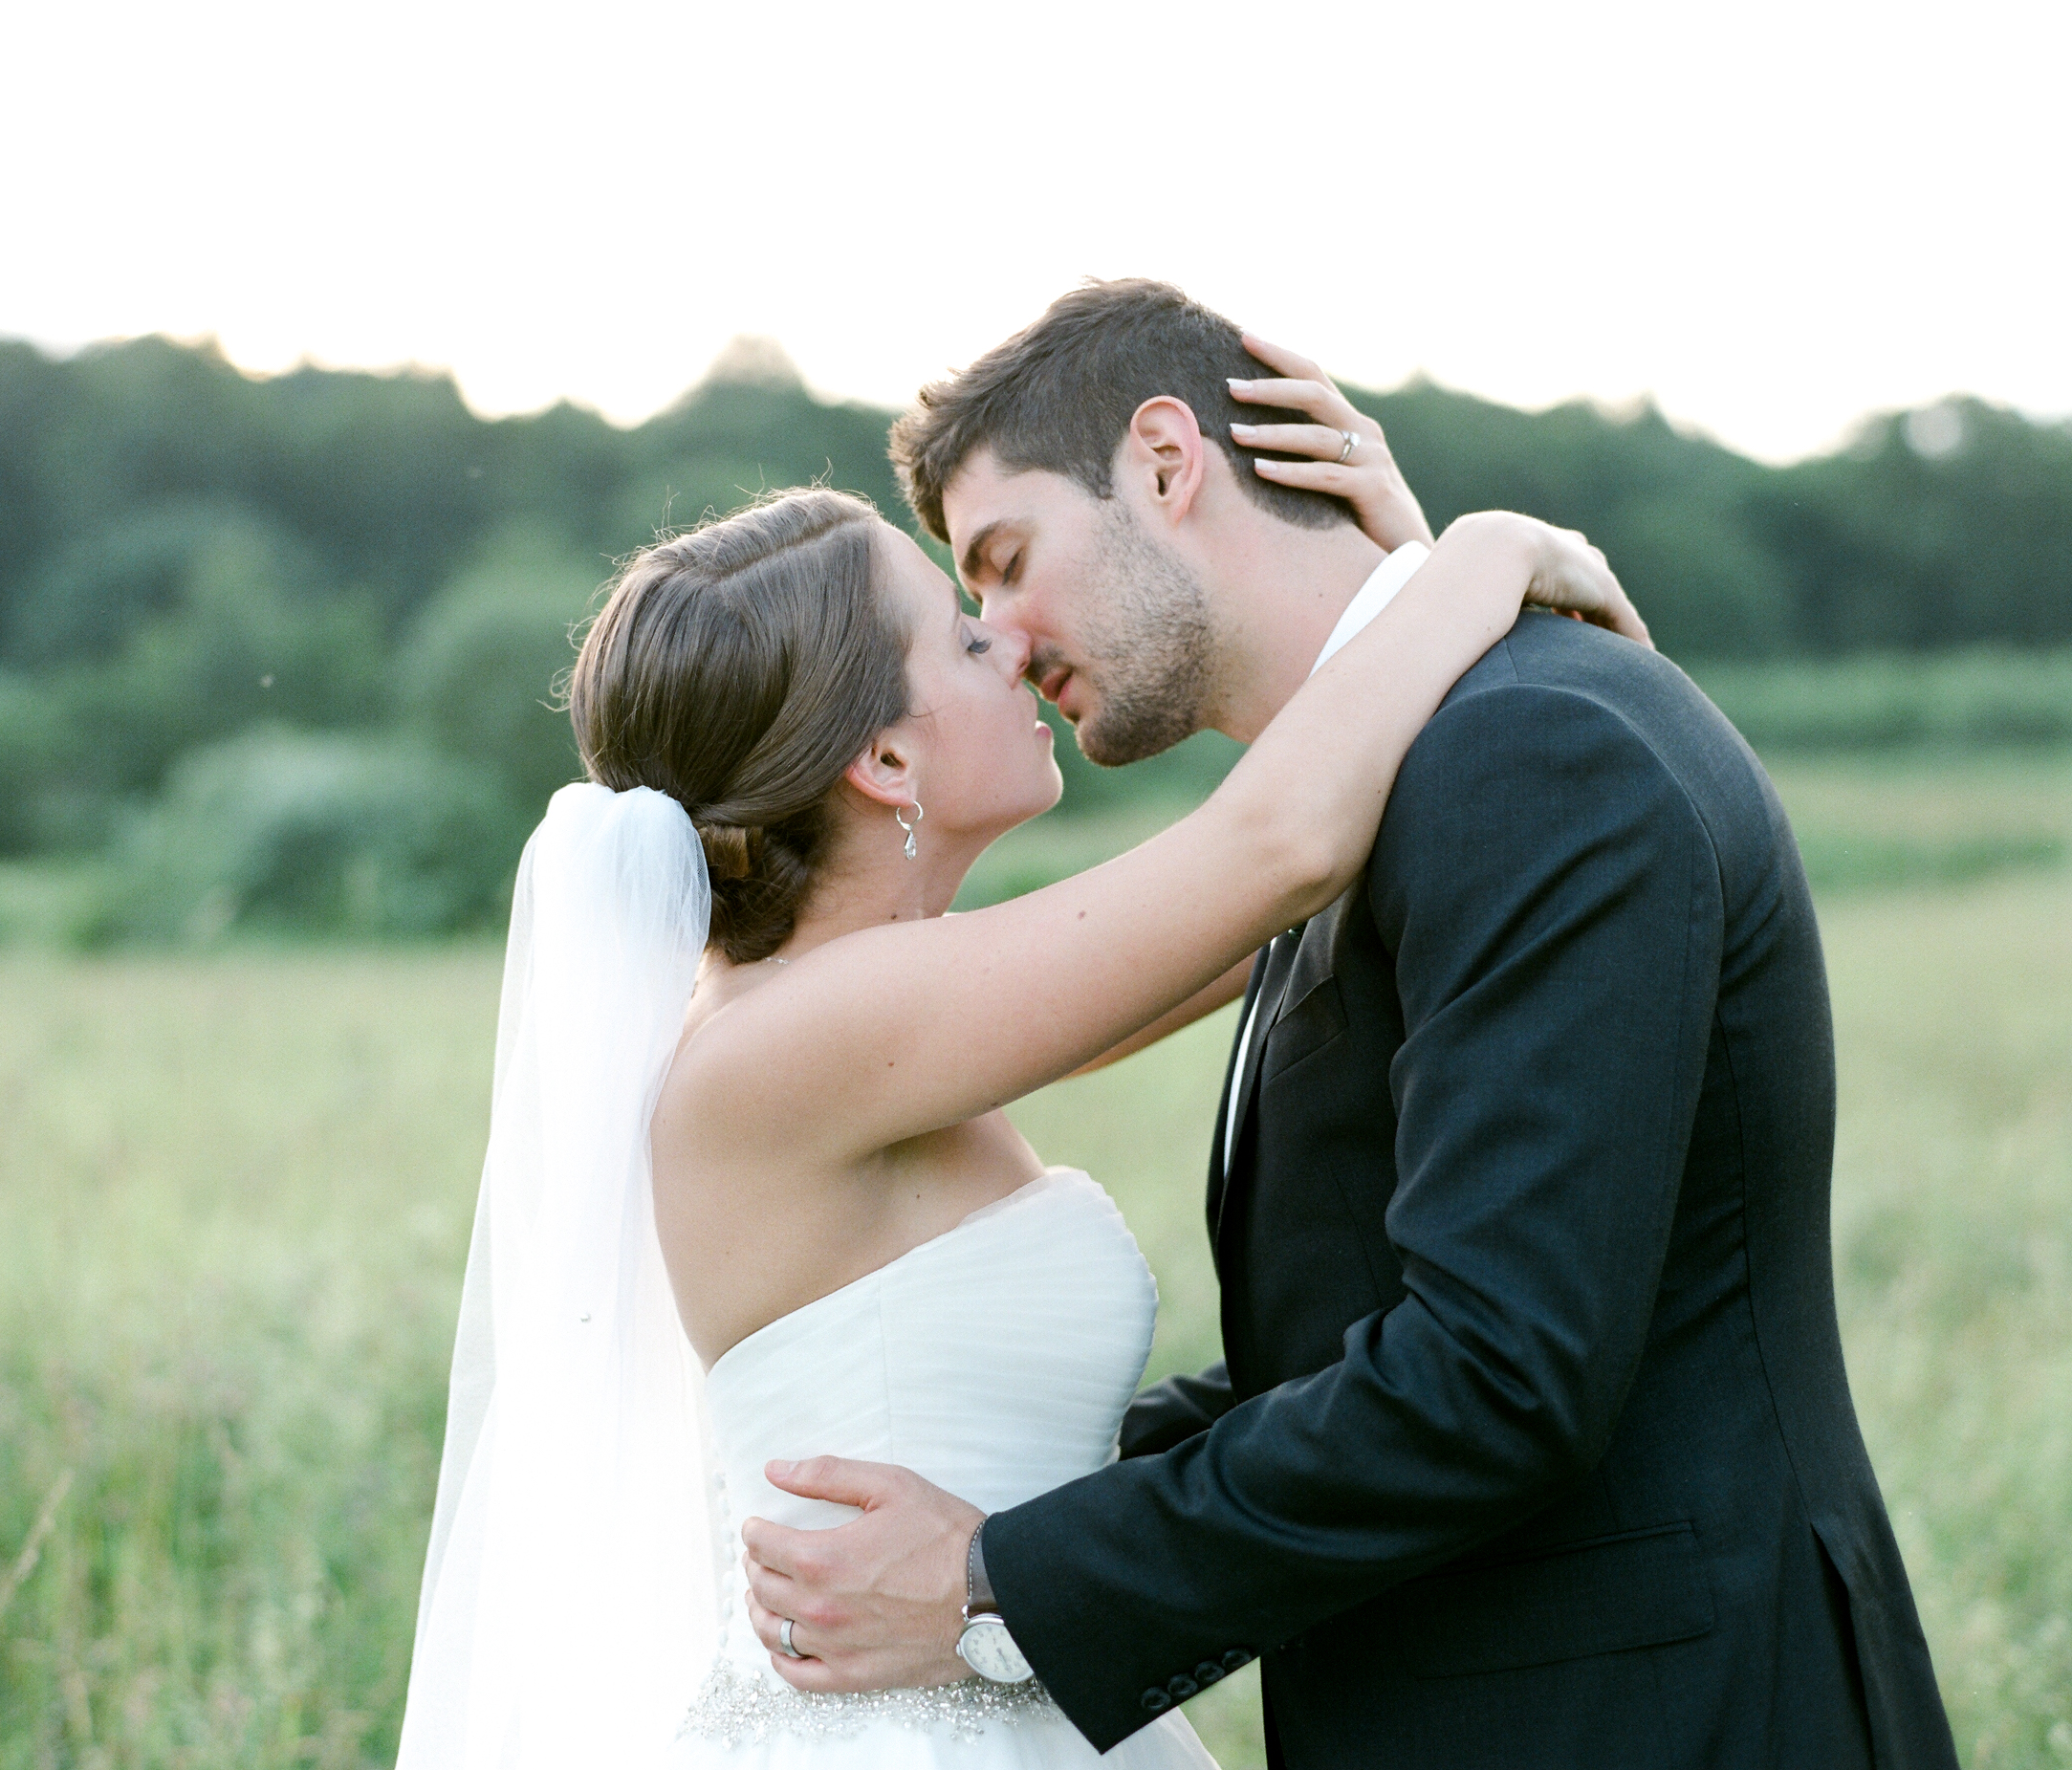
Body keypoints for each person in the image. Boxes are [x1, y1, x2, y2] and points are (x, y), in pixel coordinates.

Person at [390, 311, 1646, 1766]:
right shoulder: (797, 1037)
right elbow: (1282, 846)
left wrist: (1374, 604)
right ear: (886, 759)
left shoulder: (886, 1008)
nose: (1017, 641)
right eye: (962, 622)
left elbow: (1315, 892)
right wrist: (1481, 557)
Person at [738, 280, 1962, 1769]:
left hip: (1654, 1720)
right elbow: (1343, 1341)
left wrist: (995, 1573)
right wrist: (991, 1481)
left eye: (1004, 561)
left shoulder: (1529, 751)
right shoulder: (1387, 796)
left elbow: (1498, 1373)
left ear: (1168, 461)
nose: (1001, 637)